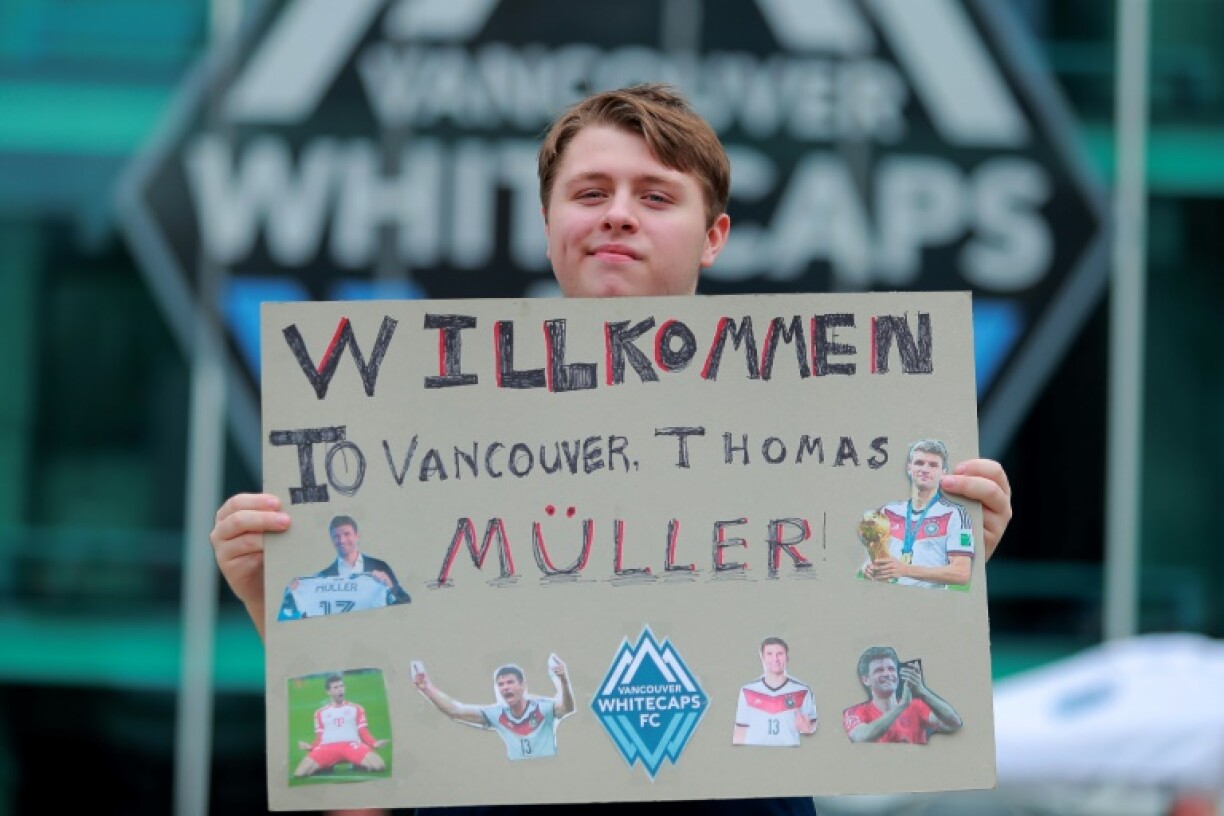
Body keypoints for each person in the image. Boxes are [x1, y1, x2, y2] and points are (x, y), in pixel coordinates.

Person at [210, 83, 1014, 814]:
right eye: (590, 193)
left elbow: (885, 697)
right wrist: (270, 604)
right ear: (550, 223)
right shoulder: (426, 444)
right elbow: (364, 800)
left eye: (656, 196)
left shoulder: (809, 443)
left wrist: (950, 563)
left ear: (714, 235)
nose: (618, 213)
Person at [861, 439, 975, 589]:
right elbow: (872, 558)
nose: (925, 469)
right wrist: (867, 568)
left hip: (929, 606)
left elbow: (961, 573)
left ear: (943, 473)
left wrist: (905, 570)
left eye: (933, 465)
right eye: (919, 463)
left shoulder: (955, 513)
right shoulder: (888, 511)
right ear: (909, 468)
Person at [412, 658, 573, 760]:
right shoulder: (498, 715)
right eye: (501, 684)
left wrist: (564, 681)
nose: (505, 688)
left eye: (510, 682)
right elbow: (456, 711)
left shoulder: (543, 708)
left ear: (523, 685)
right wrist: (426, 688)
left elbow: (566, 708)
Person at [280, 515, 411, 620]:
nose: (342, 540)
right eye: (336, 536)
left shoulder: (380, 566)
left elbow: (406, 603)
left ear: (357, 536)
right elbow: (299, 620)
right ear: (332, 540)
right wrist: (291, 596)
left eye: (347, 534)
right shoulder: (322, 578)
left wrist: (389, 586)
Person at [842, 646, 961, 744]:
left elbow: (954, 724)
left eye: (891, 669)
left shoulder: (917, 706)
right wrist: (902, 706)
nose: (888, 674)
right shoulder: (854, 712)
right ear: (866, 680)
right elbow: (861, 739)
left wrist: (923, 692)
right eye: (879, 670)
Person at [294, 673, 390, 777]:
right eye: (336, 687)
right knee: (300, 773)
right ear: (328, 692)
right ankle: (327, 766)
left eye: (341, 686)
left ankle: (356, 764)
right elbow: (320, 738)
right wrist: (310, 747)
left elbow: (363, 732)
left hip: (351, 745)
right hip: (327, 747)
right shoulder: (320, 713)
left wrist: (374, 744)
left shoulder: (356, 708)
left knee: (379, 766)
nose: (340, 689)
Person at [733, 637, 817, 747]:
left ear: (787, 657)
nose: (775, 659)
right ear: (762, 657)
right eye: (769, 654)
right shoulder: (747, 691)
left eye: (780, 654)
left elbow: (812, 727)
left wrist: (808, 729)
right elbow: (740, 730)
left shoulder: (802, 691)